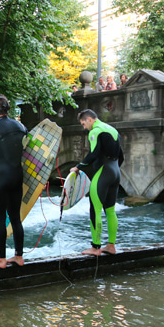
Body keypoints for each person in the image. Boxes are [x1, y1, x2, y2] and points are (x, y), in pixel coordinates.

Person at [70, 109, 124, 257]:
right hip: (115, 173)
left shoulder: (95, 131)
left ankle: (96, 247)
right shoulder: (113, 130)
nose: (84, 127)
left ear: (89, 119)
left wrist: (78, 167)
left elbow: (93, 154)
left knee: (95, 209)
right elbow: (121, 156)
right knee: (111, 210)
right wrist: (113, 169)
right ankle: (111, 245)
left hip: (103, 173)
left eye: (83, 124)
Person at [0, 95, 27, 269]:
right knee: (16, 218)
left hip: (1, 178)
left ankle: (1, 259)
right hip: (17, 176)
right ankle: (19, 256)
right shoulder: (22, 127)